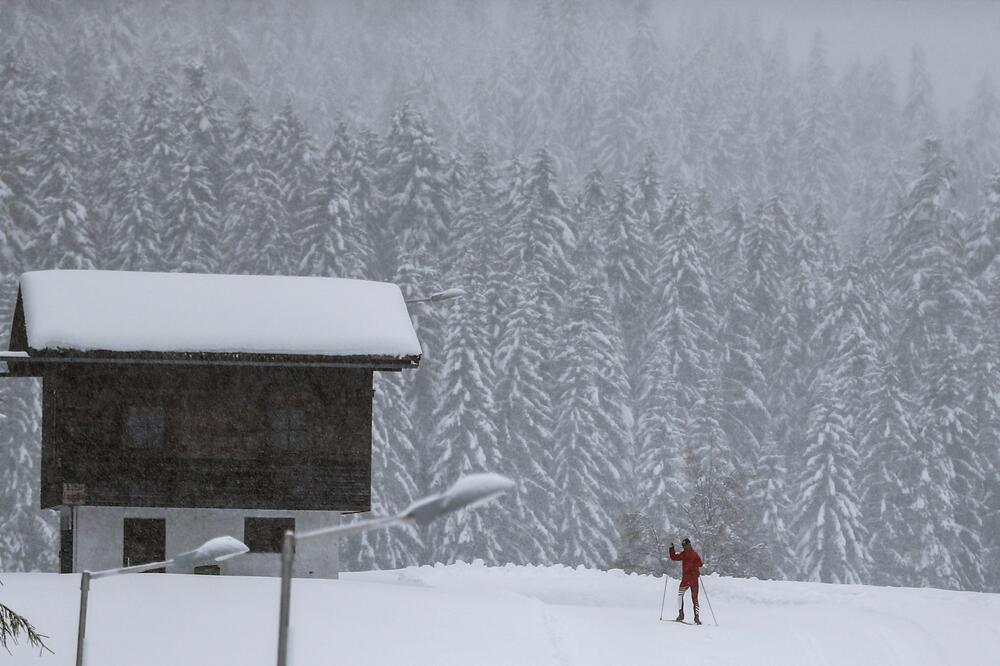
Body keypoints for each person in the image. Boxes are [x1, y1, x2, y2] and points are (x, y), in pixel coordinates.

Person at [667, 537, 703, 624]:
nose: (684, 547)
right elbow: (700, 564)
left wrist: (671, 548)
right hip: (694, 579)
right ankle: (696, 618)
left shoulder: (684, 554)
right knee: (695, 598)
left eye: (684, 545)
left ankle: (681, 614)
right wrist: (695, 567)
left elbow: (674, 557)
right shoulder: (695, 554)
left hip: (686, 579)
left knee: (680, 594)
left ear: (687, 545)